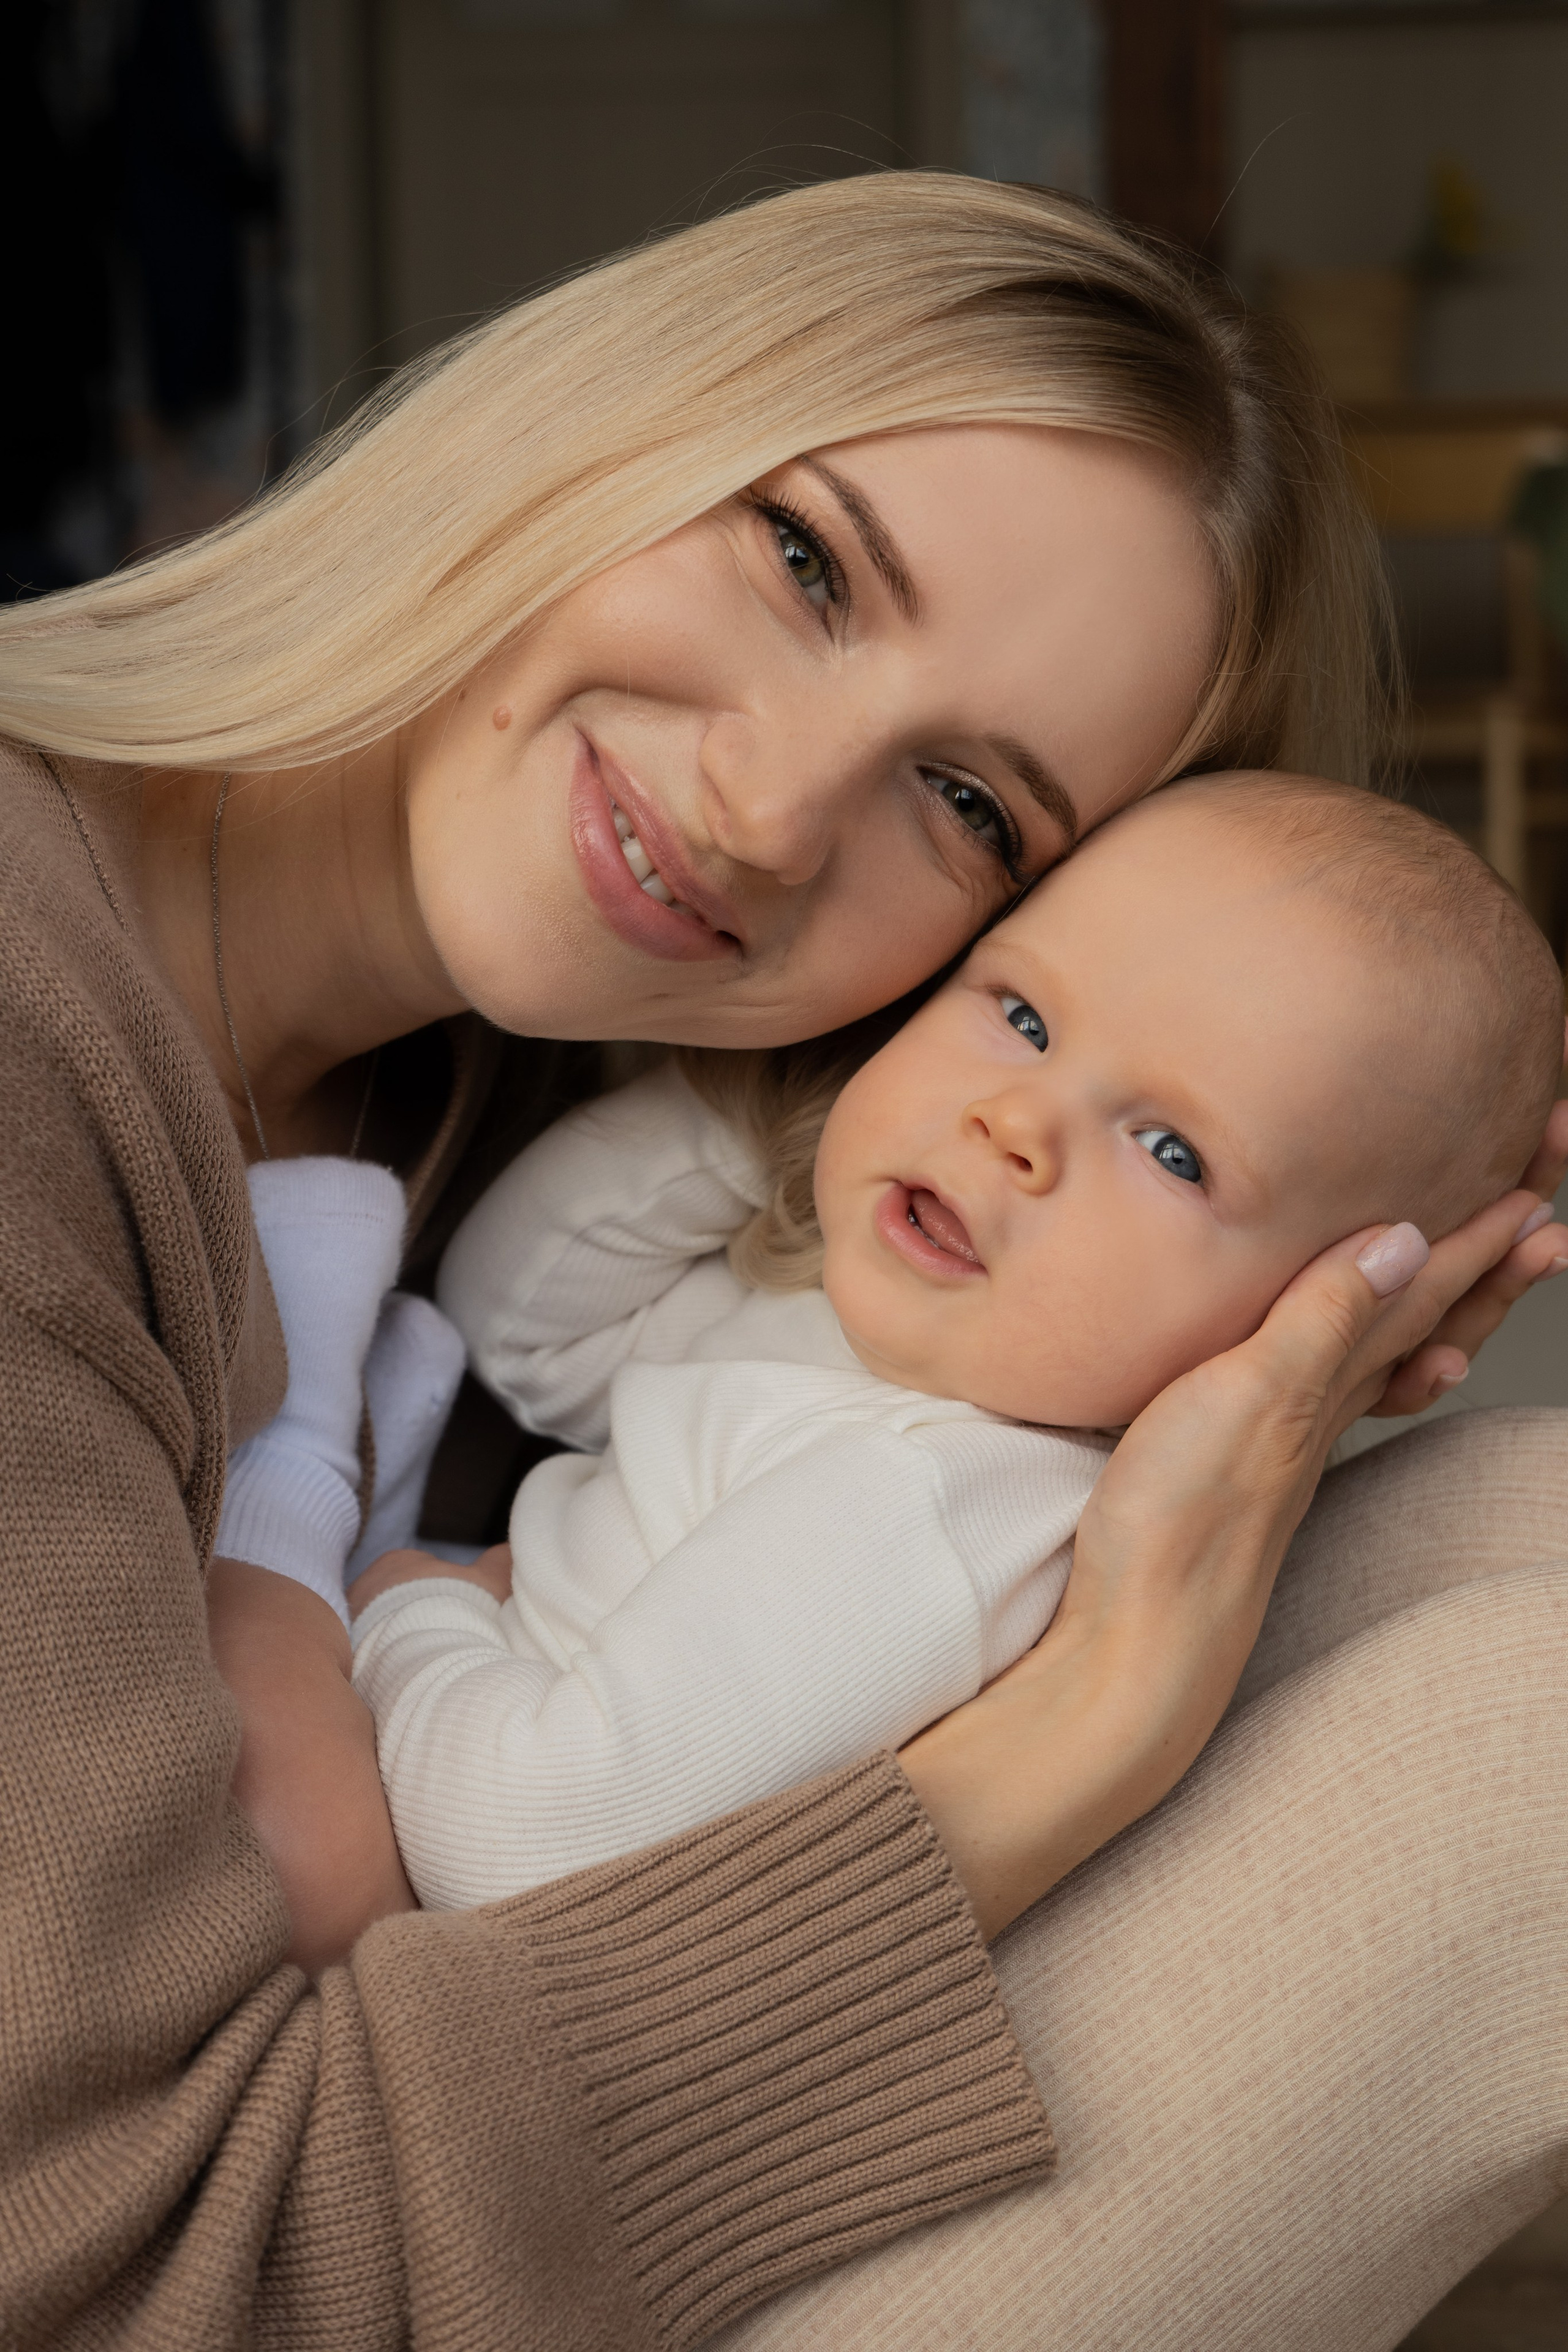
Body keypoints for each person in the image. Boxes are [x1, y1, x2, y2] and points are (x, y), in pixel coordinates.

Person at [0, 174, 1562, 2350]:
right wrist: (1067, 1745)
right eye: (806, 561)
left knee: (1528, 1527)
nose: (764, 810)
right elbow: (157, 2279)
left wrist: (1275, 1335)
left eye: (972, 810)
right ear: (601, 414)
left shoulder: (506, 1071)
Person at [214, 772, 1556, 1918]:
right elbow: (525, 1323)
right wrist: (795, 1102)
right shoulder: (905, 1364)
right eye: (1019, 1017)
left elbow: (524, 1848)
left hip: (419, 1859)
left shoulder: (932, 1504)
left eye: (1171, 1152)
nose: (1013, 1122)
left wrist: (407, 1615)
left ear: (1311, 1330)